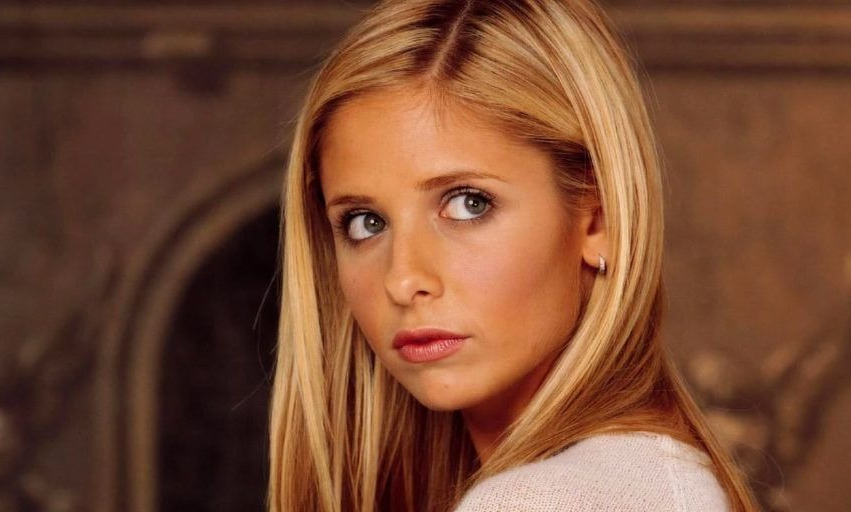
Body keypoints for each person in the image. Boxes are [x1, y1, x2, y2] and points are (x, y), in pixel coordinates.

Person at [268, 0, 760, 510]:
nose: (403, 278)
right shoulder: (657, 479)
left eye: (468, 204)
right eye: (365, 222)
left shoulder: (540, 499)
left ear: (600, 221)